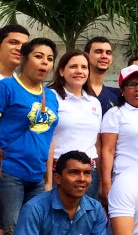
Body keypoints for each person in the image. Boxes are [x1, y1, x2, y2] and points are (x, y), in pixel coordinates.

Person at [0, 38, 60, 231]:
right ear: (23, 58)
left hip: (37, 176)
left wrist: (48, 181)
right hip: (8, 172)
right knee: (8, 229)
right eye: (38, 56)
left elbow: (49, 138)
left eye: (49, 58)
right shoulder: (6, 87)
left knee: (33, 230)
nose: (45, 62)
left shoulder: (52, 96)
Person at [99, 65, 138, 202]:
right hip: (124, 179)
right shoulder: (115, 114)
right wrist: (106, 183)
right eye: (132, 84)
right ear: (122, 90)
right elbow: (107, 150)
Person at [49, 50, 103, 199]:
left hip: (88, 173)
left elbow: (97, 143)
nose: (79, 71)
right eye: (73, 67)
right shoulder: (50, 97)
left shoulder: (94, 102)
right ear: (61, 71)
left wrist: (101, 179)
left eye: (84, 67)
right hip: (58, 172)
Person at [84, 36, 120, 113]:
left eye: (108, 53)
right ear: (86, 56)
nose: (104, 56)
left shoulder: (117, 96)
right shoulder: (75, 91)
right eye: (98, 51)